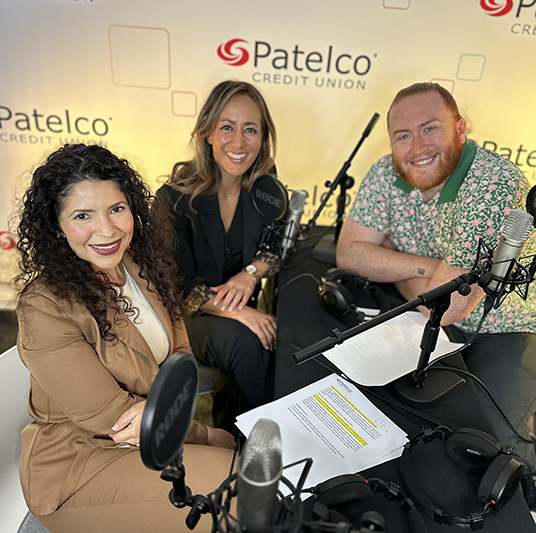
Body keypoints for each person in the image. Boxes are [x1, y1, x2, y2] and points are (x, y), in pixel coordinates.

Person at [15, 143, 236, 533]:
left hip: (153, 435)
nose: (107, 230)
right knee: (233, 491)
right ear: (56, 224)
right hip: (80, 465)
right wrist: (208, 435)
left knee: (244, 476)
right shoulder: (44, 307)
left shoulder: (139, 262)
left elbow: (179, 354)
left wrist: (161, 409)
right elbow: (114, 420)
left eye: (116, 209)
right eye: (83, 215)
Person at [337, 83, 536, 478]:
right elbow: (350, 252)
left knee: (495, 449)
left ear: (461, 128)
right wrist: (433, 270)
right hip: (423, 319)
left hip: (506, 328)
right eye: (403, 136)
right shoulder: (387, 170)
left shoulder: (493, 184)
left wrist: (395, 262)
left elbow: (449, 307)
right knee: (397, 427)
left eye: (430, 128)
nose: (417, 147)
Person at [156, 80, 280, 430]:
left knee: (276, 335)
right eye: (227, 127)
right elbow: (173, 289)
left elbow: (277, 250)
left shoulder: (266, 188)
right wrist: (237, 311)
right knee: (247, 342)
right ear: (208, 132)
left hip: (238, 309)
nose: (239, 142)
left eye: (250, 130)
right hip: (185, 316)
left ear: (263, 138)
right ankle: (275, 436)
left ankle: (234, 435)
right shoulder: (173, 199)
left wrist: (251, 273)